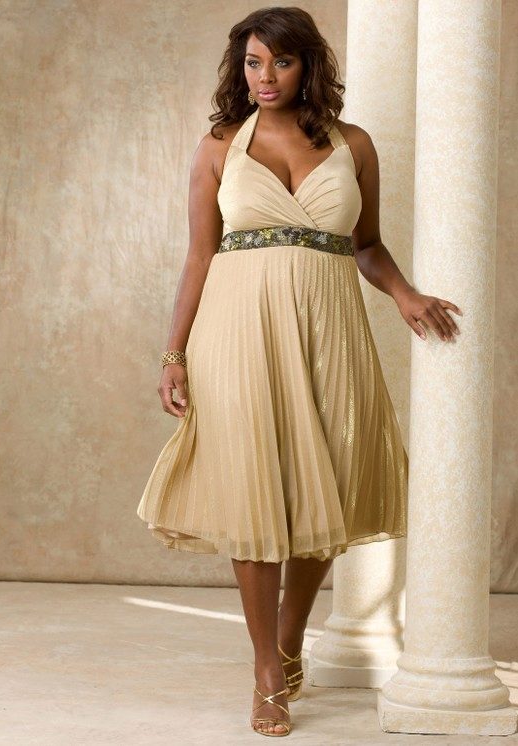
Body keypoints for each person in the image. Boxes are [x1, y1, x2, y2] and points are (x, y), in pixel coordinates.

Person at [137, 6, 462, 737]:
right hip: (238, 331)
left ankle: (288, 644)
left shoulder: (353, 144)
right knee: (254, 491)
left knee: (326, 485)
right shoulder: (219, 146)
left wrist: (405, 294)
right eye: (252, 62)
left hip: (330, 330)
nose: (265, 77)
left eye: (280, 62)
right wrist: (173, 353)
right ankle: (265, 673)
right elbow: (199, 255)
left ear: (308, 64)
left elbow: (366, 244)